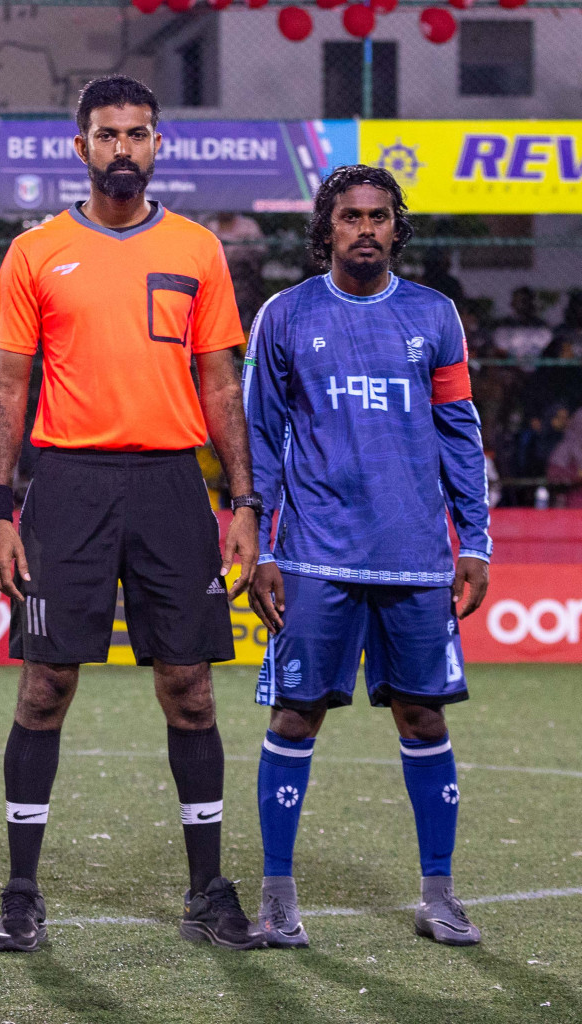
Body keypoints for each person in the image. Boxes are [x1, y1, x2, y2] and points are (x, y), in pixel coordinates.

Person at [0, 75, 261, 952]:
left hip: (174, 486)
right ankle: (21, 890)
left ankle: (208, 888)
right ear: (81, 147)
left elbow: (220, 382)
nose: (123, 148)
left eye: (138, 133)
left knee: (189, 685)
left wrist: (244, 499)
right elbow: (6, 384)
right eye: (107, 135)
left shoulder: (197, 248)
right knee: (45, 683)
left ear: (157, 145)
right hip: (67, 485)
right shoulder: (35, 252)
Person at [246, 165, 493, 948]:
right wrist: (261, 542)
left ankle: (440, 893)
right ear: (326, 227)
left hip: (417, 556)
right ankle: (279, 898)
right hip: (315, 554)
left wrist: (475, 541)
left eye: (378, 217)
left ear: (395, 227)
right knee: (297, 714)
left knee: (422, 719)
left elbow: (459, 430)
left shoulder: (435, 316)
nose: (365, 229)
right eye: (350, 216)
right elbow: (261, 436)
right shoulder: (285, 316)